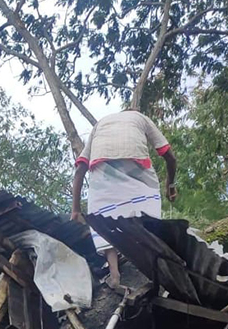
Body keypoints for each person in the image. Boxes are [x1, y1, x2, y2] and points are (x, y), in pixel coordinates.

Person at [70, 109, 177, 286]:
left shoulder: (100, 123)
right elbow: (169, 155)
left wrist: (75, 209)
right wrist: (170, 185)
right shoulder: (141, 118)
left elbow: (80, 168)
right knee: (145, 202)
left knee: (103, 216)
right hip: (135, 160)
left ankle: (114, 274)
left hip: (101, 165)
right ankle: (150, 257)